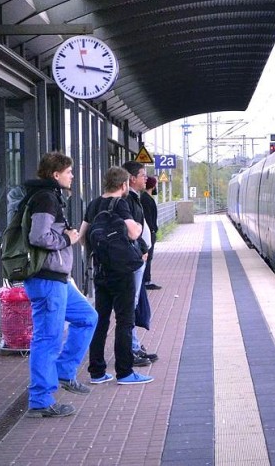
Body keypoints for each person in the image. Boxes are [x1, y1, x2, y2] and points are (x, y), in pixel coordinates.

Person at [23, 151, 98, 418]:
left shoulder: (50, 196)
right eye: (69, 171)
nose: (72, 176)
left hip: (57, 279)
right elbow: (38, 235)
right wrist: (68, 239)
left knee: (88, 317)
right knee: (47, 339)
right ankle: (40, 401)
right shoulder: (45, 198)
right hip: (46, 280)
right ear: (56, 174)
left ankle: (64, 373)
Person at [79, 166, 153, 385]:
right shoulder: (120, 203)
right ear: (124, 185)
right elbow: (133, 232)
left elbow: (83, 237)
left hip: (100, 270)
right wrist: (137, 228)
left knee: (100, 320)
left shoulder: (94, 204)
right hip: (122, 272)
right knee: (124, 321)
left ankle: (97, 372)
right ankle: (125, 372)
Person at [122, 160, 159, 364]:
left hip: (138, 259)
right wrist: (142, 249)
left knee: (133, 304)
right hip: (133, 260)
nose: (146, 178)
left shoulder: (136, 198)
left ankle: (134, 345)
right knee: (129, 305)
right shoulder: (127, 200)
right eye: (143, 175)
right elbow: (132, 231)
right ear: (132, 178)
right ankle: (131, 348)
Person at [141, 175, 161, 291]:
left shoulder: (146, 198)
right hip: (149, 232)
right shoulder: (146, 199)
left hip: (150, 231)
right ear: (153, 186)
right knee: (148, 256)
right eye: (156, 185)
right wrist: (152, 229)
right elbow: (148, 217)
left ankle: (147, 279)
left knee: (149, 256)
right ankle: (146, 280)